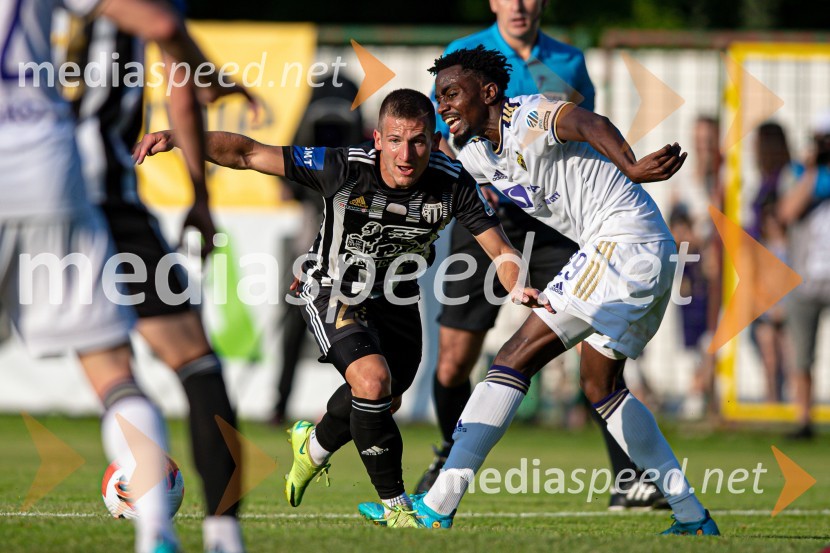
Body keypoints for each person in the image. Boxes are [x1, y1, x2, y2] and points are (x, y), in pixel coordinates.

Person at [133, 88, 534, 528]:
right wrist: (178, 137)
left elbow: (501, 251)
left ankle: (313, 448)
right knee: (372, 381)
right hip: (331, 289)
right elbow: (248, 153)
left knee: (384, 396)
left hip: (398, 301)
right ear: (377, 139)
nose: (407, 154)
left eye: (418, 140)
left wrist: (522, 288)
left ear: (433, 138)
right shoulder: (342, 166)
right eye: (396, 140)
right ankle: (396, 505)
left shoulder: (452, 182)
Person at [360, 46, 719, 535]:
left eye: (451, 94)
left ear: (488, 93)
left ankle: (438, 503)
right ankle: (692, 516)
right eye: (438, 96)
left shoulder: (530, 113)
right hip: (633, 251)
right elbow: (423, 167)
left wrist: (631, 166)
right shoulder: (471, 150)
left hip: (624, 240)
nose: (442, 105)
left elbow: (590, 125)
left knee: (513, 357)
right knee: (602, 387)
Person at [1, 0, 239, 552]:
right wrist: (201, 195)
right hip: (80, 185)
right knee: (187, 364)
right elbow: (165, 33)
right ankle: (212, 534)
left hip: (56, 180)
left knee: (117, 371)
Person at [418, 0, 664, 511]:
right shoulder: (461, 56)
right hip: (486, 221)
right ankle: (450, 457)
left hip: (558, 224)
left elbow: (587, 127)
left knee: (585, 351)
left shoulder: (568, 62)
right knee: (454, 360)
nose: (520, 4)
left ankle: (629, 480)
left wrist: (628, 167)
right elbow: (448, 144)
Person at [272, 72, 365, 425]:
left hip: (314, 221)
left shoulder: (310, 112)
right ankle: (357, 399)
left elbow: (286, 181)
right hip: (352, 227)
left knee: (297, 311)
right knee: (356, 317)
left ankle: (280, 403)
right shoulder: (354, 115)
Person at [778, 110, 830, 440]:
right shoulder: (798, 172)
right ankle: (804, 420)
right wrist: (813, 169)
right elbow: (787, 211)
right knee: (801, 353)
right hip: (806, 275)